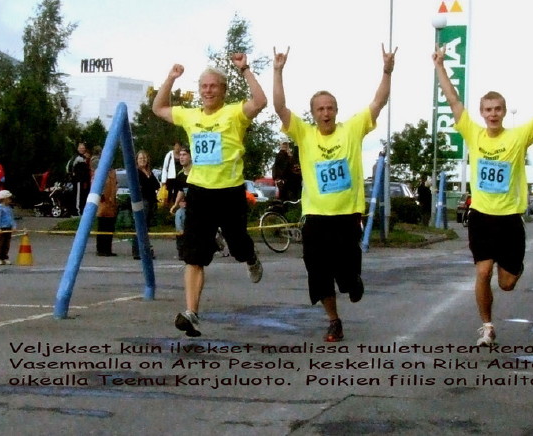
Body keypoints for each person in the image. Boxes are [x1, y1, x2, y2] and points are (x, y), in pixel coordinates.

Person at [432, 43, 533, 346]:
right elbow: (453, 100)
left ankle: (513, 268)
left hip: (510, 219)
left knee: (507, 283)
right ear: (482, 113)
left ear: (503, 111)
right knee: (483, 271)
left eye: (498, 109)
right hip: (481, 217)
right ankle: (487, 326)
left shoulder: (517, 136)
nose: (493, 114)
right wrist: (440, 66)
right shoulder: (473, 133)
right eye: (488, 110)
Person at [273, 44, 396, 342]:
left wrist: (387, 71)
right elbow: (279, 107)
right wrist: (277, 71)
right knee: (317, 271)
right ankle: (333, 321)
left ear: (336, 111)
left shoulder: (351, 129)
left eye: (330, 108)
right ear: (313, 113)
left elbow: (379, 102)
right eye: (320, 108)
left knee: (346, 273)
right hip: (315, 216)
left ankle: (353, 281)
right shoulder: (304, 133)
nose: (325, 112)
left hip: (347, 215)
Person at [152, 53, 267, 338]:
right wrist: (171, 78)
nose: (208, 90)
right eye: (203, 86)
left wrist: (245, 69)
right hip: (200, 193)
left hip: (230, 192)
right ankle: (191, 313)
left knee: (238, 246)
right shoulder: (190, 115)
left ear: (223, 90)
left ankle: (250, 257)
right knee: (194, 256)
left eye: (213, 86)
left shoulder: (234, 113)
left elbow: (260, 102)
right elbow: (159, 107)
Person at [131, 150, 160, 259]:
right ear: (136, 160)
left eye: (144, 158)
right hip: (141, 202)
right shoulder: (136, 173)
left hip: (150, 201)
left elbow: (157, 185)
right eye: (140, 158)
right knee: (140, 226)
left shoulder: (150, 172)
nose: (143, 160)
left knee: (146, 227)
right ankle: (137, 251)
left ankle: (145, 250)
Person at [96, 167, 118, 257]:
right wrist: (102, 196)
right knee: (102, 226)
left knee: (110, 227)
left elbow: (115, 185)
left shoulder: (113, 172)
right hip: (103, 202)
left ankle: (108, 249)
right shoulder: (100, 171)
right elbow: (97, 184)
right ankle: (101, 249)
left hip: (111, 203)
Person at [0, 189, 16, 265]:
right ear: (4, 199)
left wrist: (14, 226)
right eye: (9, 198)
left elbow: (12, 218)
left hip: (8, 227)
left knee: (6, 243)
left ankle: (4, 257)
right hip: (1, 228)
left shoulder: (9, 208)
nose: (10, 200)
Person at [70, 142, 91, 216]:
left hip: (83, 181)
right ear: (78, 149)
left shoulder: (83, 158)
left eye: (83, 148)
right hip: (78, 180)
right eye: (80, 148)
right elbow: (69, 167)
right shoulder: (77, 158)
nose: (82, 149)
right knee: (78, 196)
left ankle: (80, 210)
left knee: (81, 195)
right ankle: (77, 211)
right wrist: (73, 174)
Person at [161, 141, 182, 206]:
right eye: (176, 146)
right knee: (169, 193)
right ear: (174, 147)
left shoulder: (182, 154)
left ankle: (175, 205)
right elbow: (165, 168)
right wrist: (163, 180)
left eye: (179, 146)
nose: (177, 148)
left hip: (179, 178)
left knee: (177, 193)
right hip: (170, 177)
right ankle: (167, 206)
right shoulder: (169, 155)